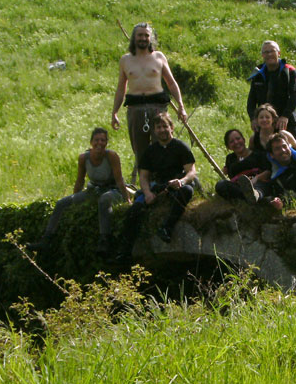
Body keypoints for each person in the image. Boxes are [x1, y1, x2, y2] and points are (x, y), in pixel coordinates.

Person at [34, 127, 130, 254]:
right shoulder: (84, 158)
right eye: (96, 140)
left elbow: (119, 180)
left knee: (104, 200)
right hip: (94, 190)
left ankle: (104, 240)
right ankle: (46, 239)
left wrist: (127, 199)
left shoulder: (111, 156)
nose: (99, 143)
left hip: (113, 190)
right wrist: (74, 199)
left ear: (106, 143)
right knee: (61, 203)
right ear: (91, 142)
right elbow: (80, 181)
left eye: (103, 140)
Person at [116, 113, 197, 259]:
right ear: (154, 130)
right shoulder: (151, 151)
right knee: (135, 209)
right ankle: (124, 250)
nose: (162, 130)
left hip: (177, 185)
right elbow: (144, 176)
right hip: (158, 186)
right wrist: (147, 193)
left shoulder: (180, 147)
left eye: (165, 126)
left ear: (171, 128)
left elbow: (191, 172)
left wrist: (182, 181)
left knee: (187, 190)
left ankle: (167, 228)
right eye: (158, 127)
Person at [111, 22, 189, 171]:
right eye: (140, 35)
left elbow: (171, 83)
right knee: (140, 150)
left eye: (146, 35)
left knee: (163, 144)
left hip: (158, 108)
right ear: (134, 38)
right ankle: (146, 185)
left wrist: (181, 106)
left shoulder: (159, 57)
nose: (143, 38)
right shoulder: (125, 60)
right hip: (136, 110)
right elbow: (121, 89)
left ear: (150, 38)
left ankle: (164, 179)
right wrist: (114, 112)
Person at [247, 40, 296, 143]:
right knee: (261, 153)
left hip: (286, 121)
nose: (269, 54)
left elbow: (294, 95)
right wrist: (253, 118)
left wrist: (285, 116)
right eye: (266, 52)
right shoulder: (258, 73)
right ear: (262, 55)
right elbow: (251, 99)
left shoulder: (289, 71)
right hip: (265, 123)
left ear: (279, 53)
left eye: (272, 51)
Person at [215, 128, 269, 201]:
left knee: (260, 187)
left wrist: (256, 178)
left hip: (257, 183)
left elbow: (268, 171)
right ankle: (248, 198)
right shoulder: (230, 158)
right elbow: (231, 177)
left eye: (238, 138)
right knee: (221, 184)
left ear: (243, 139)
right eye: (232, 141)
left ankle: (255, 196)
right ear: (228, 147)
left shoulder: (257, 154)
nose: (236, 142)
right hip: (239, 186)